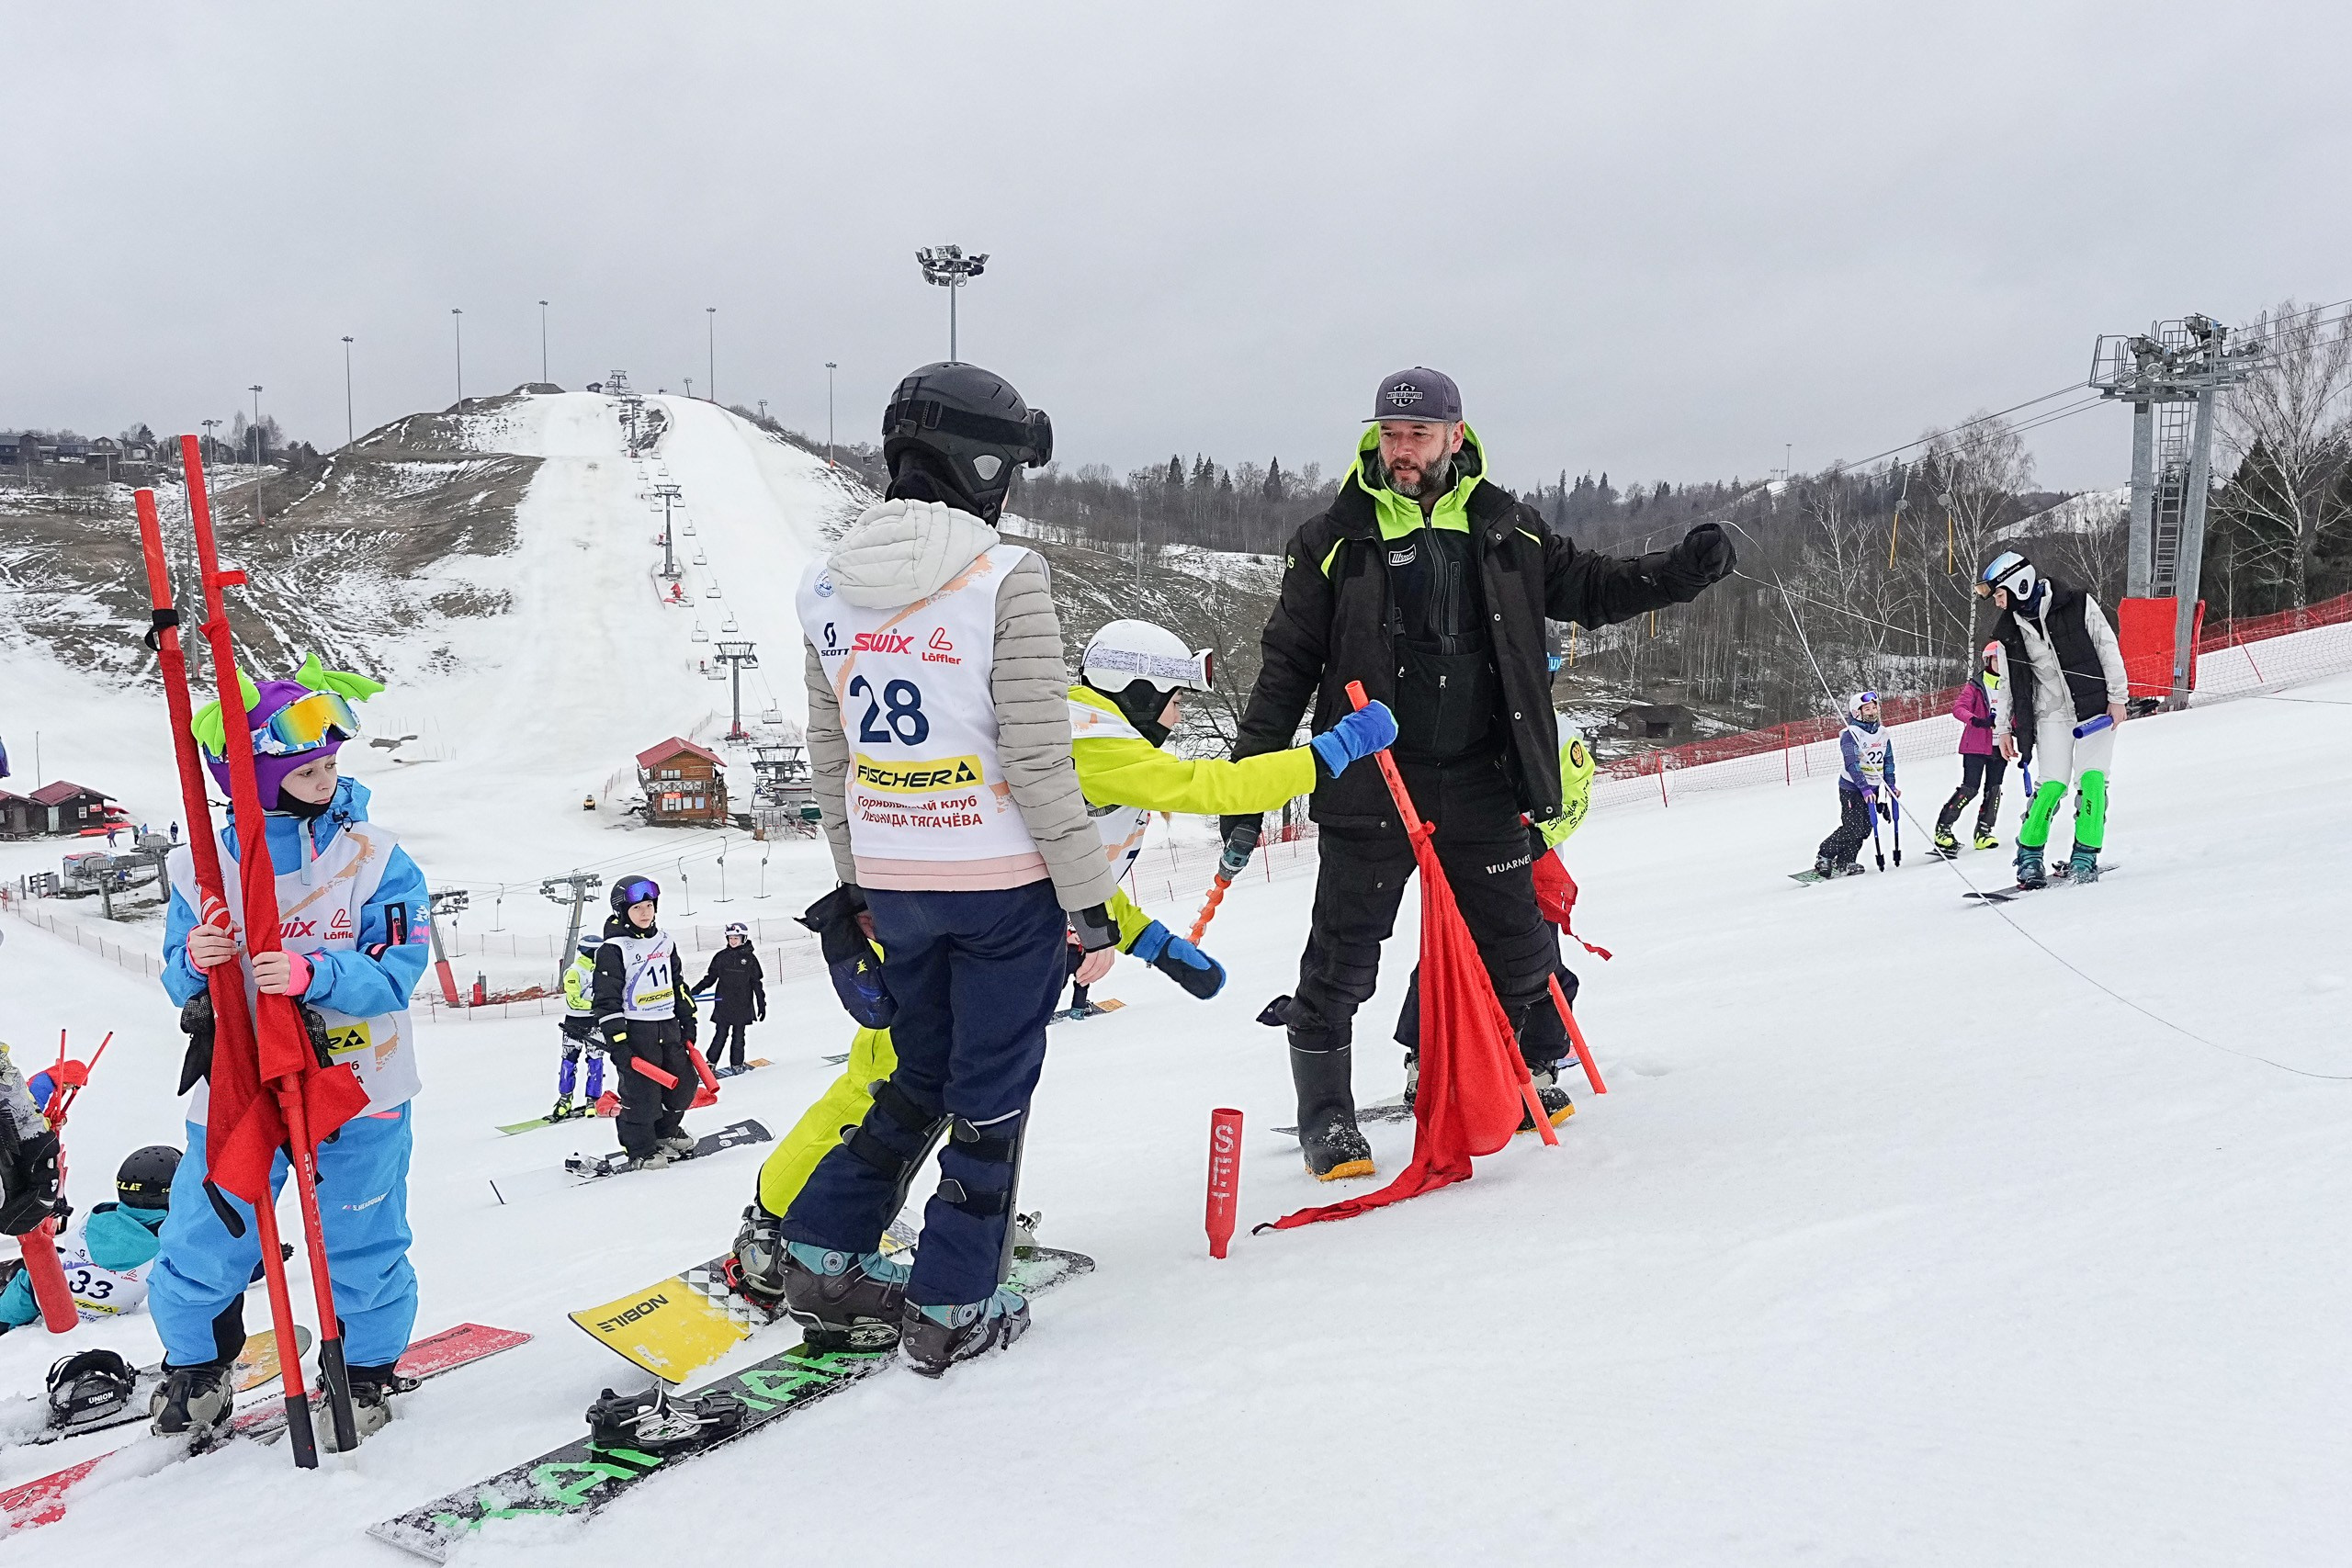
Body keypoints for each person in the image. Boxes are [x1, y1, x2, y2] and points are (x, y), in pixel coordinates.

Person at [733, 616, 1393, 1256]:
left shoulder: (1084, 732)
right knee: (884, 1084)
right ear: (1136, 692)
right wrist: (1331, 750)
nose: (1178, 717)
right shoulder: (1093, 743)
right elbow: (1218, 787)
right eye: (1173, 700)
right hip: (948, 937)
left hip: (981, 936)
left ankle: (919, 1211)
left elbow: (1065, 868)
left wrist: (1150, 941)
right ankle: (775, 1217)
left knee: (959, 1089)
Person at [1224, 367, 1736, 1179]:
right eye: (1391, 435)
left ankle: (1449, 1064)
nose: (1402, 451)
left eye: (1418, 436)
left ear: (1455, 437)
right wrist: (1244, 787)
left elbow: (1595, 586)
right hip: (1370, 782)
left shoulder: (1508, 528)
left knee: (1517, 950)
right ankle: (1327, 1117)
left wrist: (1681, 572)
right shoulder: (1333, 539)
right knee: (1343, 958)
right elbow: (1285, 667)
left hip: (1480, 777)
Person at [772, 360, 1125, 1378]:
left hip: (897, 877)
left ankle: (822, 1258)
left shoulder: (825, 586)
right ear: (980, 465)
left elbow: (831, 755)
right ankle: (952, 1303)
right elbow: (1036, 756)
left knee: (917, 1075)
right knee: (991, 1095)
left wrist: (859, 880)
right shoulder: (1007, 575)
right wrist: (1090, 900)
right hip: (1002, 885)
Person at [152, 658, 430, 1447]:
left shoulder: (374, 855)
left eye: (331, 763)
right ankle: (197, 1368)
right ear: (255, 773)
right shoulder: (199, 865)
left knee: (358, 1233)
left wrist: (318, 972)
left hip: (358, 1080)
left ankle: (366, 1368)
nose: (326, 776)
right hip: (242, 1082)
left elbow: (400, 964)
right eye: (306, 766)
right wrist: (197, 959)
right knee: (210, 1228)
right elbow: (180, 981)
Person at [1392, 727, 1597, 1117]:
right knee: (1442, 967)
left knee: (1538, 967)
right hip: (1462, 867)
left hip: (1528, 874)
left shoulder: (1554, 728)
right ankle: (1424, 1062)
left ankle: (1535, 1064)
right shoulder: (1463, 708)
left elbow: (1577, 795)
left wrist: (1536, 840)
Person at [1978, 551, 2129, 886]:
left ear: (2019, 584)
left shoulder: (2076, 603)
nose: (1999, 604)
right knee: (2052, 785)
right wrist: (2003, 728)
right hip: (2050, 714)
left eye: (2001, 595)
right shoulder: (2007, 631)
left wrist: (2118, 697)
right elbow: (2007, 684)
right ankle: (2029, 857)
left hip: (2095, 708)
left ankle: (2085, 856)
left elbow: (2108, 647)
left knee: (2092, 781)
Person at [0, 1145, 177, 1330]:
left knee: (31, 1273)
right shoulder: (170, 1243)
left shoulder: (97, 1216)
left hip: (46, 1291)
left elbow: (74, 1246)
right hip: (107, 1310)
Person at [593, 876, 699, 1168]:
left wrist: (688, 1019)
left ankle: (665, 1134)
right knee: (642, 1094)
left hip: (668, 1025)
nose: (645, 913)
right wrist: (618, 1043)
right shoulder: (614, 949)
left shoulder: (665, 941)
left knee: (684, 1085)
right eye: (637, 907)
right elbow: (606, 1002)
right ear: (622, 912)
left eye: (649, 906)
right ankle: (640, 1148)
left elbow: (677, 984)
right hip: (636, 1031)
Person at [1933, 642, 2009, 855]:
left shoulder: (2011, 683)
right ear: (1988, 661)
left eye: (2002, 660)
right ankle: (1943, 828)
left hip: (2000, 746)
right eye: (1996, 660)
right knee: (1970, 788)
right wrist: (1977, 721)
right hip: (1976, 745)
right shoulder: (1977, 684)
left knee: (1994, 790)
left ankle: (1984, 832)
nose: (2000, 665)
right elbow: (1958, 708)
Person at [1813, 691, 1897, 876]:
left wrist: (1891, 786)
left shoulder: (1883, 733)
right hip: (1853, 788)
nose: (1872, 711)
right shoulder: (1851, 734)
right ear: (1857, 712)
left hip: (1873, 789)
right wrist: (1864, 788)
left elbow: (1888, 761)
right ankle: (1825, 854)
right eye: (1867, 709)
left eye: (1874, 707)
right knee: (1852, 826)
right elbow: (1851, 763)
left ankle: (1847, 860)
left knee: (1866, 827)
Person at [695, 922, 765, 1070]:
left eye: (736, 938)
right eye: (731, 938)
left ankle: (737, 1064)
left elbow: (756, 983)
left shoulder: (750, 959)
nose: (733, 941)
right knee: (720, 1034)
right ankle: (711, 1062)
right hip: (724, 1003)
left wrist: (761, 1003)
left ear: (743, 939)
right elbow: (710, 978)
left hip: (743, 1004)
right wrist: (694, 991)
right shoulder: (721, 957)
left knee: (739, 1036)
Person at [552, 933, 605, 1121]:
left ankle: (593, 1099)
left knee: (595, 1061)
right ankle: (565, 1098)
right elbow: (574, 1001)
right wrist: (598, 1006)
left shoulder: (602, 970)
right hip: (574, 1023)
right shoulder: (574, 971)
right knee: (569, 1061)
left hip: (596, 1023)